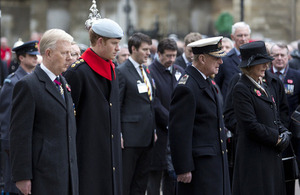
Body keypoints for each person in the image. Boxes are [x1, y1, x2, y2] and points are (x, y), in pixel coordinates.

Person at [9, 29, 78, 195]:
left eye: (70, 53)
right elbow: (20, 135)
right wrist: (22, 177)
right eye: (64, 53)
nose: (70, 58)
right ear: (48, 53)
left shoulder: (63, 82)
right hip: (43, 175)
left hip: (67, 173)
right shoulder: (28, 85)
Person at [63, 18, 123, 195]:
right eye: (114, 43)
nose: (118, 48)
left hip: (110, 156)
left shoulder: (111, 68)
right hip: (88, 157)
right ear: (99, 41)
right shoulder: (77, 72)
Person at [169, 36, 231, 195]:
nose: (221, 62)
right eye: (216, 58)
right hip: (199, 166)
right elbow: (179, 132)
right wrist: (183, 168)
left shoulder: (206, 82)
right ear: (202, 59)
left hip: (213, 162)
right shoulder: (188, 87)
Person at [232, 41, 290, 195]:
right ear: (250, 66)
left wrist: (284, 131)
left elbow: (274, 115)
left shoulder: (263, 85)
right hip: (254, 157)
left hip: (269, 154)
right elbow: (250, 125)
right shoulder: (241, 88)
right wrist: (276, 138)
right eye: (261, 63)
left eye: (266, 62)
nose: (266, 66)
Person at [116, 32, 156, 195]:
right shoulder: (122, 71)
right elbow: (117, 105)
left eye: (149, 50)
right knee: (126, 182)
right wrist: (118, 133)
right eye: (145, 49)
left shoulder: (145, 70)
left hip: (146, 136)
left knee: (141, 182)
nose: (148, 53)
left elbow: (149, 102)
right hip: (130, 138)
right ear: (133, 49)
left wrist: (153, 129)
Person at [0, 40, 40, 195]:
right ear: (21, 58)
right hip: (14, 148)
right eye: (31, 56)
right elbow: (6, 117)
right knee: (15, 188)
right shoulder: (13, 82)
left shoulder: (34, 79)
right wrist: (10, 148)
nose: (36, 59)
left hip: (29, 146)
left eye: (36, 55)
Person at [147, 38, 184, 195]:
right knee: (155, 177)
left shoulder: (179, 71)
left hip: (176, 134)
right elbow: (153, 101)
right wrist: (170, 120)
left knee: (173, 178)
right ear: (159, 54)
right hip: (159, 132)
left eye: (174, 56)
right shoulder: (150, 72)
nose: (171, 59)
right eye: (168, 56)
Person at [268, 43, 300, 195]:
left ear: (288, 56)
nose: (279, 58)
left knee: (291, 175)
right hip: (272, 132)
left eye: (282, 55)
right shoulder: (265, 76)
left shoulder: (297, 76)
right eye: (276, 55)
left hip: (294, 135)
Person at [215, 21, 251, 99]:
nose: (243, 39)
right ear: (232, 37)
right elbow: (217, 86)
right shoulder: (224, 60)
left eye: (246, 35)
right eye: (240, 35)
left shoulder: (254, 58)